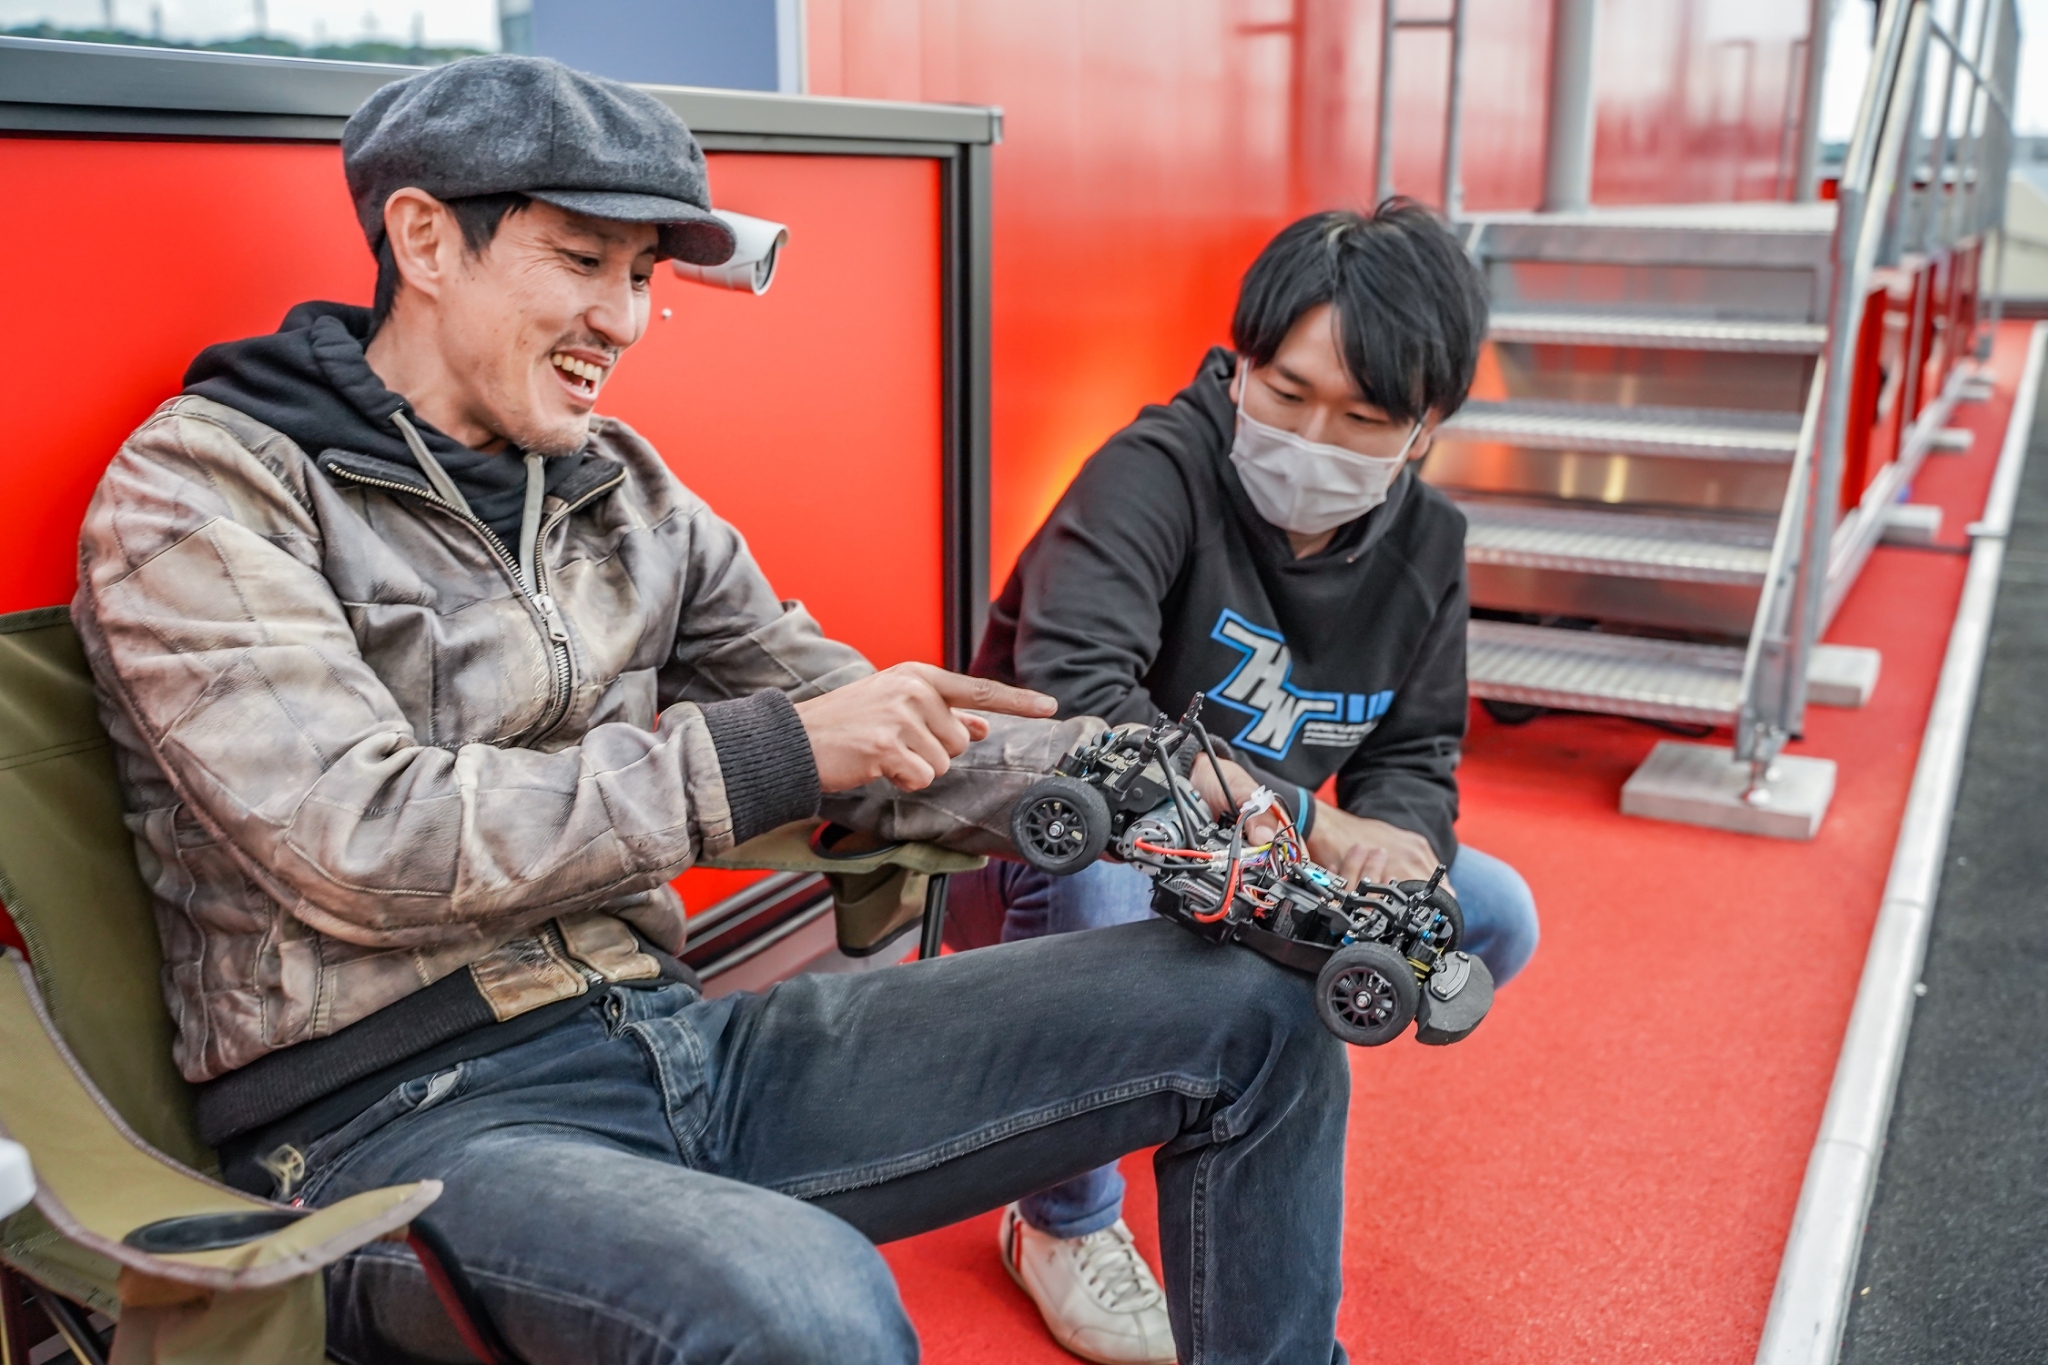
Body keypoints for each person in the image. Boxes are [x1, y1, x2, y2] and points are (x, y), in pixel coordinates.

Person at [73, 56, 1366, 1365]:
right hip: (392, 1129)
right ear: (424, 240)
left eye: (643, 275)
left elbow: (840, 711)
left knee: (1259, 1013)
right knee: (801, 1305)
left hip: (672, 1040)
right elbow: (362, 839)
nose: (626, 319)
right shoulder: (202, 491)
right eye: (583, 260)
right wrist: (769, 754)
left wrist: (1139, 780)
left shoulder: (621, 489)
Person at [946, 202, 1540, 1365]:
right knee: (1105, 885)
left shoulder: (1427, 544)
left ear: (1423, 429)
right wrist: (1314, 821)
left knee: (1490, 912)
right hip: (1039, 848)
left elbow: (1414, 754)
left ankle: (1217, 1085)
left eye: (1361, 419)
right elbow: (1074, 702)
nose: (1311, 438)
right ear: (1238, 364)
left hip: (1257, 864)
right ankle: (1061, 1222)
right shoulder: (1148, 474)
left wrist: (1401, 855)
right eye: (1284, 393)